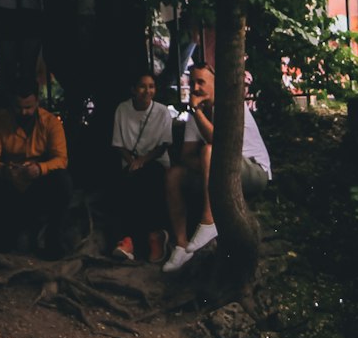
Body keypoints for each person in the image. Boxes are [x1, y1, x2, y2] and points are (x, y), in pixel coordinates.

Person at [162, 63, 271, 273]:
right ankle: (181, 246)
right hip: (223, 171)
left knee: (210, 152)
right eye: (192, 82)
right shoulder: (198, 114)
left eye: (201, 82)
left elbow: (225, 149)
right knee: (174, 175)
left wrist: (206, 158)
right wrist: (205, 164)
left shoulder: (230, 107)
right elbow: (186, 156)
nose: (195, 87)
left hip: (254, 171)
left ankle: (209, 221)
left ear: (214, 85)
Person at [0, 75, 72, 256]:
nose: (23, 113)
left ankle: (53, 239)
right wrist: (4, 170)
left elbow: (61, 159)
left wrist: (40, 169)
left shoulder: (51, 123)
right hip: (10, 186)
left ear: (37, 102)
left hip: (38, 186)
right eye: (18, 108)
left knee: (63, 180)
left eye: (28, 107)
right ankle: (4, 234)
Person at [108, 69, 175, 262]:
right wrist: (132, 162)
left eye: (151, 86)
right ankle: (129, 240)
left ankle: (147, 239)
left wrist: (142, 161)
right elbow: (118, 143)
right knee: (123, 188)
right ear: (133, 90)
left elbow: (163, 146)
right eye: (142, 86)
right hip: (129, 163)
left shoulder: (162, 112)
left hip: (154, 163)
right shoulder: (122, 109)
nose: (147, 91)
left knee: (146, 181)